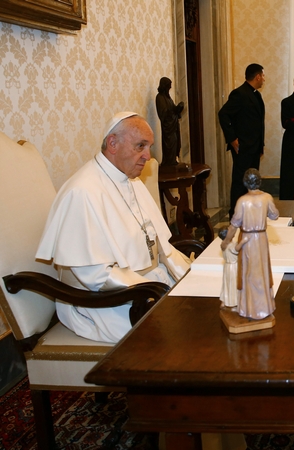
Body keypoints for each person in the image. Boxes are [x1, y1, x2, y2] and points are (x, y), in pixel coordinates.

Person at [35, 112, 191, 343]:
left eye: (149, 147)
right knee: (182, 332)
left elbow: (157, 244)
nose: (148, 156)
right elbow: (95, 276)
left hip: (146, 286)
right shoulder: (82, 193)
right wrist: (152, 289)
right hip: (106, 303)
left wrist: (186, 273)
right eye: (140, 146)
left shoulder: (130, 180)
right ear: (113, 143)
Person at [221, 169, 280, 320]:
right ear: (260, 181)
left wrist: (226, 241)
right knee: (261, 272)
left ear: (245, 183)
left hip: (247, 239)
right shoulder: (267, 197)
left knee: (249, 273)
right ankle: (264, 307)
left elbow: (234, 225)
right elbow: (275, 215)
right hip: (261, 238)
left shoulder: (242, 201)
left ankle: (249, 308)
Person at [218, 63, 266, 219]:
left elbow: (258, 122)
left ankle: (249, 212)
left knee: (252, 182)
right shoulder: (239, 93)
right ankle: (236, 214)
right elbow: (223, 114)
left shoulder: (256, 95)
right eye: (263, 76)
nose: (264, 79)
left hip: (254, 147)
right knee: (240, 182)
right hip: (243, 147)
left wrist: (260, 146)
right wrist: (232, 138)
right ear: (257, 76)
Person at [155, 77, 184, 167]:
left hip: (173, 126)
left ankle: (173, 161)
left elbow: (172, 109)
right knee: (169, 144)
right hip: (168, 128)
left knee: (175, 142)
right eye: (168, 87)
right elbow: (163, 113)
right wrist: (174, 111)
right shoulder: (160, 97)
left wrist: (179, 108)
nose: (170, 88)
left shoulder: (168, 98)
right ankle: (169, 162)